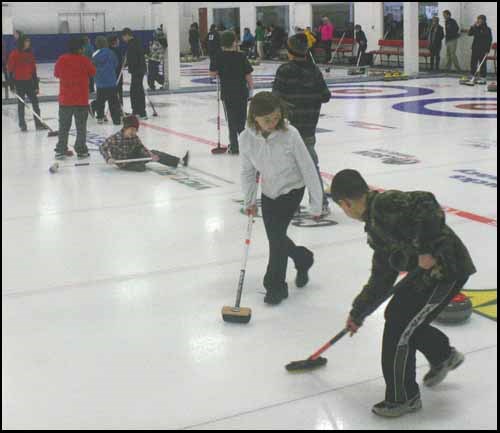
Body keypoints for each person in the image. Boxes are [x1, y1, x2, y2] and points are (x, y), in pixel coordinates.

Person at [330, 169, 476, 418]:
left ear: (346, 203)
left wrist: (425, 249)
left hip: (446, 270)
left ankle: (403, 397)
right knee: (398, 315)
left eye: (342, 207)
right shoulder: (375, 227)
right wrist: (359, 312)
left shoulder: (386, 204)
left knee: (399, 327)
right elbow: (382, 275)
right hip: (425, 276)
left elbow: (427, 202)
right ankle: (443, 355)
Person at [240, 92, 323, 305]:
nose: (273, 123)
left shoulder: (290, 134)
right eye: (267, 119)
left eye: (276, 117)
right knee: (276, 238)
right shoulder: (246, 139)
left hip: (292, 190)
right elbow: (248, 172)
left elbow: (308, 168)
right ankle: (302, 258)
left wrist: (316, 203)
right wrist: (249, 200)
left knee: (276, 240)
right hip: (269, 192)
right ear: (254, 118)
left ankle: (275, 286)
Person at [272, 33, 331, 215]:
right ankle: (320, 203)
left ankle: (292, 205)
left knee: (289, 167)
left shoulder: (284, 71)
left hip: (289, 127)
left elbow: (275, 97)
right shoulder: (314, 71)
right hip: (308, 127)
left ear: (290, 51)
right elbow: (325, 95)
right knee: (311, 166)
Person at [209, 31, 254, 155]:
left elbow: (212, 74)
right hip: (241, 92)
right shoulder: (241, 56)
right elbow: (248, 75)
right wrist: (251, 90)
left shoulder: (218, 56)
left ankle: (234, 146)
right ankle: (246, 145)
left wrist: (219, 72)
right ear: (234, 42)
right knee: (241, 120)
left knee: (232, 120)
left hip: (227, 92)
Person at [53, 37, 96, 159]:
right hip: (81, 99)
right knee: (81, 127)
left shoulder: (62, 59)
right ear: (80, 48)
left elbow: (56, 74)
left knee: (64, 126)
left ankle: (61, 149)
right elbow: (93, 72)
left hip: (65, 99)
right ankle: (81, 149)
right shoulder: (84, 60)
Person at [100, 115, 189, 172]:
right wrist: (108, 158)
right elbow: (102, 147)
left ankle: (180, 161)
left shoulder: (134, 137)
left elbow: (141, 147)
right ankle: (140, 163)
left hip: (133, 155)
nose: (134, 133)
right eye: (132, 130)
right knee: (141, 168)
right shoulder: (115, 138)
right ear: (125, 128)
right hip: (124, 162)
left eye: (135, 131)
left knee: (155, 153)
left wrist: (150, 155)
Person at [7, 35, 46, 132]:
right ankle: (22, 125)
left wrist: (36, 85)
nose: (28, 43)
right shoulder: (14, 54)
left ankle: (38, 123)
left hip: (29, 82)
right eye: (26, 41)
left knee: (35, 103)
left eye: (29, 41)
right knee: (21, 104)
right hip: (19, 83)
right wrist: (11, 85)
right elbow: (10, 71)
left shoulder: (30, 55)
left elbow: (33, 71)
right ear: (21, 42)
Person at [90, 36, 121, 125]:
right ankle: (116, 119)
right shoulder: (111, 53)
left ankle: (100, 117)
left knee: (100, 101)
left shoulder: (95, 54)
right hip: (111, 81)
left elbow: (92, 65)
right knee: (113, 102)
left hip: (100, 82)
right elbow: (116, 64)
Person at [121, 28, 147, 120]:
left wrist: (126, 64)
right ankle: (139, 111)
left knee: (136, 91)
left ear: (127, 35)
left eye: (123, 37)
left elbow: (133, 58)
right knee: (137, 90)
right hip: (140, 70)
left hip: (137, 70)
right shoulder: (136, 42)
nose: (123, 39)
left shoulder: (132, 44)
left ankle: (139, 111)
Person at [108, 34, 124, 110]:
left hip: (114, 74)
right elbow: (118, 63)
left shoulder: (110, 50)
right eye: (117, 40)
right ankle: (118, 109)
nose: (119, 41)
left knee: (113, 92)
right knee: (116, 91)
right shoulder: (115, 51)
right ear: (114, 41)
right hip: (116, 74)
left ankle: (118, 109)